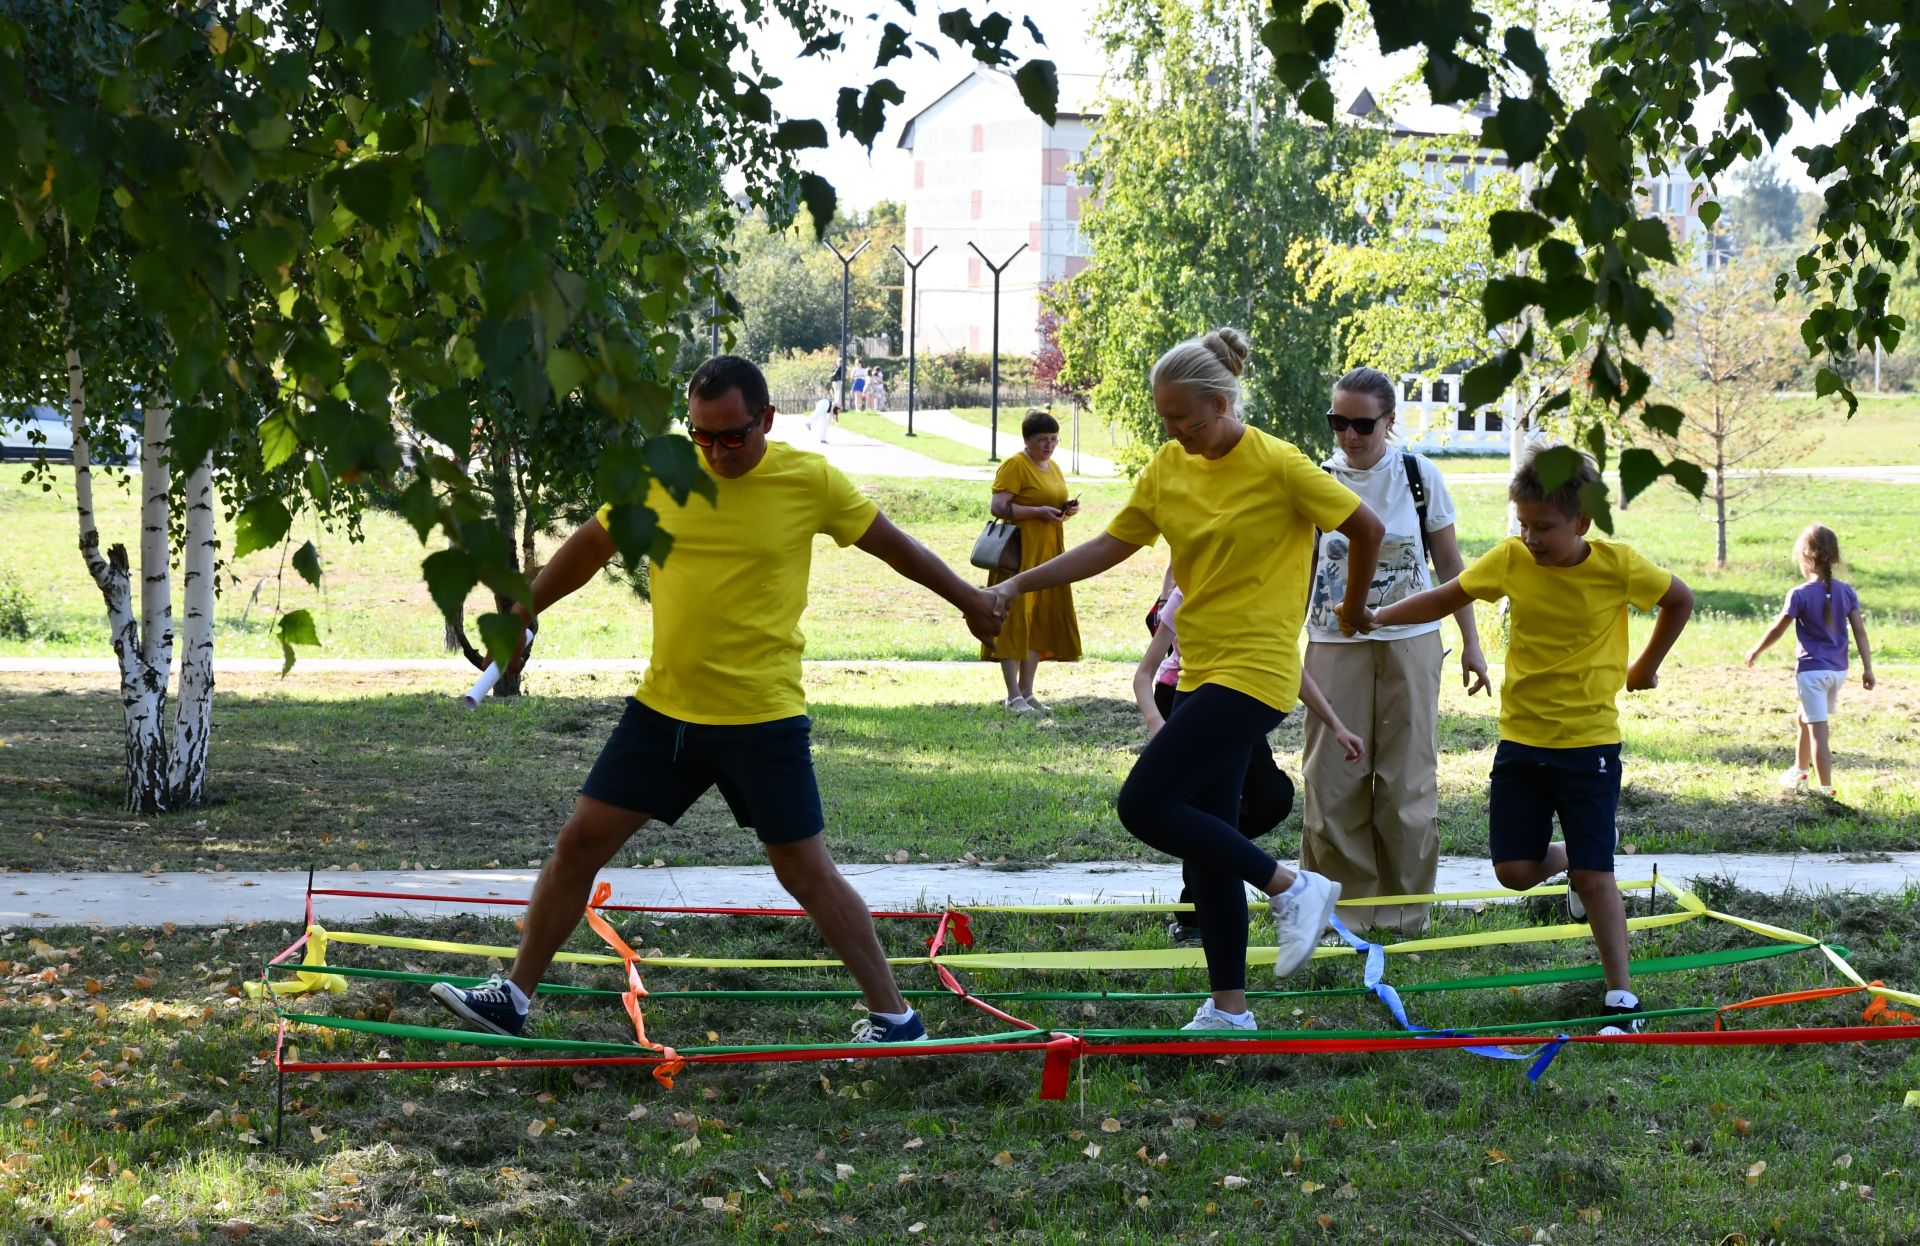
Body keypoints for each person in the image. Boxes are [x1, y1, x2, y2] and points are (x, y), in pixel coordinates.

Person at [430, 356, 1005, 1045]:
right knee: (577, 844)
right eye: (703, 436)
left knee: (805, 871)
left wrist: (970, 599)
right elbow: (588, 547)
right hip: (665, 712)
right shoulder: (664, 478)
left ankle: (897, 1018)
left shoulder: (808, 480)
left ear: (766, 419)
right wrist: (524, 611)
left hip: (762, 716)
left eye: (733, 436)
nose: (717, 452)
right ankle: (513, 999)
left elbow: (894, 547)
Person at [990, 327, 1385, 1032]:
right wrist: (1017, 583)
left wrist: (1351, 607)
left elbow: (1366, 527)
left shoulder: (1279, 463)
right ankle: (1230, 1009)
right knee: (1208, 833)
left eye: (1190, 420)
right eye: (1166, 418)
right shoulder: (1169, 468)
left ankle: (1294, 887)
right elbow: (1110, 545)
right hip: (1200, 666)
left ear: (1225, 401)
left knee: (1144, 804)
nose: (1177, 432)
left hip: (1258, 668)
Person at [1345, 447, 1693, 1034]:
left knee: (1596, 874)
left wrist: (1644, 665)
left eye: (1545, 528)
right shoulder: (1510, 559)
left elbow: (1678, 599)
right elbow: (1447, 595)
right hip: (1522, 743)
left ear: (1582, 523)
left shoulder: (1618, 566)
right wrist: (1379, 616)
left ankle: (1622, 997)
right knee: (1513, 869)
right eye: (1524, 525)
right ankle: (1584, 859)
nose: (1531, 538)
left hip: (1589, 746)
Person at [1301, 367, 1491, 936]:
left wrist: (1472, 643)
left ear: (1389, 422)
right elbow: (1299, 569)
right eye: (1338, 422)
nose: (1349, 436)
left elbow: (1451, 569)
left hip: (1411, 643)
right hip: (1333, 645)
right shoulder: (1314, 480)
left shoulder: (1417, 475)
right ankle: (1343, 917)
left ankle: (1405, 917)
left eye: (1362, 424)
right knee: (1333, 781)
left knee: (1408, 782)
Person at [1135, 581, 1365, 945]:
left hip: (1239, 700)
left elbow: (1289, 666)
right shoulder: (1186, 595)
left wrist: (1336, 725)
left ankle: (1220, 855)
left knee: (1270, 798)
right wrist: (1157, 726)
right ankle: (1194, 918)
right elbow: (1144, 675)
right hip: (1183, 700)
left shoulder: (1257, 595)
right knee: (1192, 813)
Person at [1744, 523, 1875, 798]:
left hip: (1812, 673)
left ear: (1805, 557)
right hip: (1837, 672)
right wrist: (1867, 668)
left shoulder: (1800, 594)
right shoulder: (1847, 592)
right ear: (1835, 557)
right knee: (1804, 718)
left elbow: (1777, 629)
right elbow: (1860, 632)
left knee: (1819, 730)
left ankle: (1826, 789)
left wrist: (1756, 650)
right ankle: (1799, 770)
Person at [983, 409, 1083, 714]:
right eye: (1043, 440)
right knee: (1014, 620)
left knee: (1039, 618)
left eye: (1054, 439)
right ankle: (1012, 695)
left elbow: (1049, 502)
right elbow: (998, 506)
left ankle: (1027, 692)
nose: (1049, 445)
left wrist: (1064, 511)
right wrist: (1038, 512)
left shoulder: (1052, 466)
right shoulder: (1015, 464)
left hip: (1048, 553)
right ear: (1027, 439)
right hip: (1019, 555)